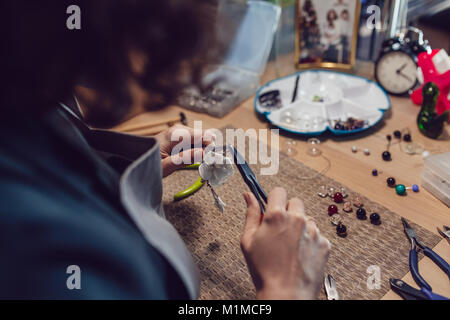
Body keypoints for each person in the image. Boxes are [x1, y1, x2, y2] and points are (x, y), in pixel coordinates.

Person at [0, 1, 330, 299]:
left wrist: (125, 176)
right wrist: (285, 289)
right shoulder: (40, 250)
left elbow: (64, 165)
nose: (182, 75)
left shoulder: (27, 103)